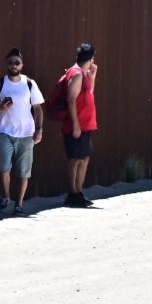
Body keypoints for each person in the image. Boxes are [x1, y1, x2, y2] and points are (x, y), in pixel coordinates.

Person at [0, 48, 44, 215]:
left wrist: (39, 129)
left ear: (22, 65)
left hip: (26, 133)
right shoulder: (0, 83)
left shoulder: (29, 83)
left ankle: (19, 204)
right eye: (10, 62)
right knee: (4, 167)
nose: (14, 65)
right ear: (6, 64)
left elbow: (38, 108)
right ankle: (6, 195)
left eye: (17, 62)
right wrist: (0, 107)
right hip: (5, 131)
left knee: (24, 171)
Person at [58, 43, 99, 208]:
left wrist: (92, 78)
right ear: (90, 58)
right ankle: (73, 193)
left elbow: (87, 94)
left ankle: (79, 192)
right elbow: (70, 99)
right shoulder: (76, 75)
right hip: (77, 125)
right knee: (74, 159)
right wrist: (75, 124)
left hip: (86, 124)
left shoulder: (83, 74)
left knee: (84, 158)